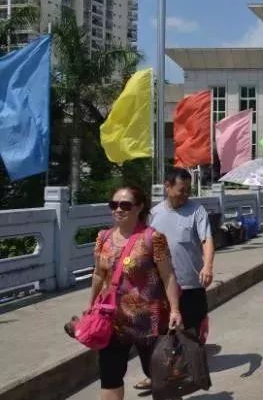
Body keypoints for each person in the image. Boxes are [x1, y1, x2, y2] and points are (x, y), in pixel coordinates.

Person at [89, 185, 182, 400]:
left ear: (139, 207)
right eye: (114, 205)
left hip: (149, 322)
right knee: (110, 377)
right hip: (112, 321)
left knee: (160, 378)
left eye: (125, 205)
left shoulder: (153, 238)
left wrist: (175, 309)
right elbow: (97, 275)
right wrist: (90, 305)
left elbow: (168, 276)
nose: (118, 210)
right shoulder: (103, 238)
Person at [129, 168, 213, 392]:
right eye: (181, 190)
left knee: (189, 334)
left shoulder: (197, 211)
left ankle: (189, 375)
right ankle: (155, 374)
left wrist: (208, 265)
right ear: (167, 186)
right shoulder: (154, 214)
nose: (185, 195)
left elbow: (206, 240)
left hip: (190, 284)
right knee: (154, 336)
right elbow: (141, 243)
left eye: (188, 190)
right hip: (159, 288)